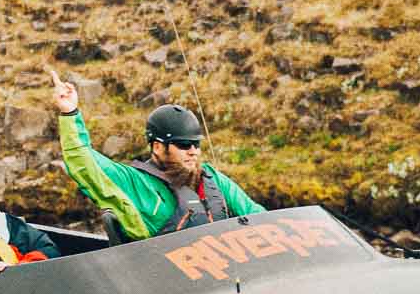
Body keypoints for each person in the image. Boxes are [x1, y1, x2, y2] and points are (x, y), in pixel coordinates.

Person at [49, 69, 263, 240]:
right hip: (169, 282)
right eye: (183, 144)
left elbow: (258, 216)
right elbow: (83, 162)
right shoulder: (133, 183)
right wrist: (70, 113)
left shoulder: (212, 179)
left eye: (196, 144)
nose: (193, 151)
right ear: (158, 147)